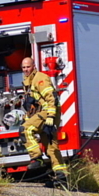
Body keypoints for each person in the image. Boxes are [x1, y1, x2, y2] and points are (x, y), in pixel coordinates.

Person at [21, 57, 68, 186]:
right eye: (24, 67)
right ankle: (62, 176)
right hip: (43, 114)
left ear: (34, 66)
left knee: (25, 129)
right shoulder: (28, 81)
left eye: (28, 67)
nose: (26, 70)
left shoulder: (40, 79)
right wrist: (27, 118)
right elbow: (33, 105)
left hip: (48, 113)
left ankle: (37, 159)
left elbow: (51, 97)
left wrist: (51, 117)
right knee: (51, 147)